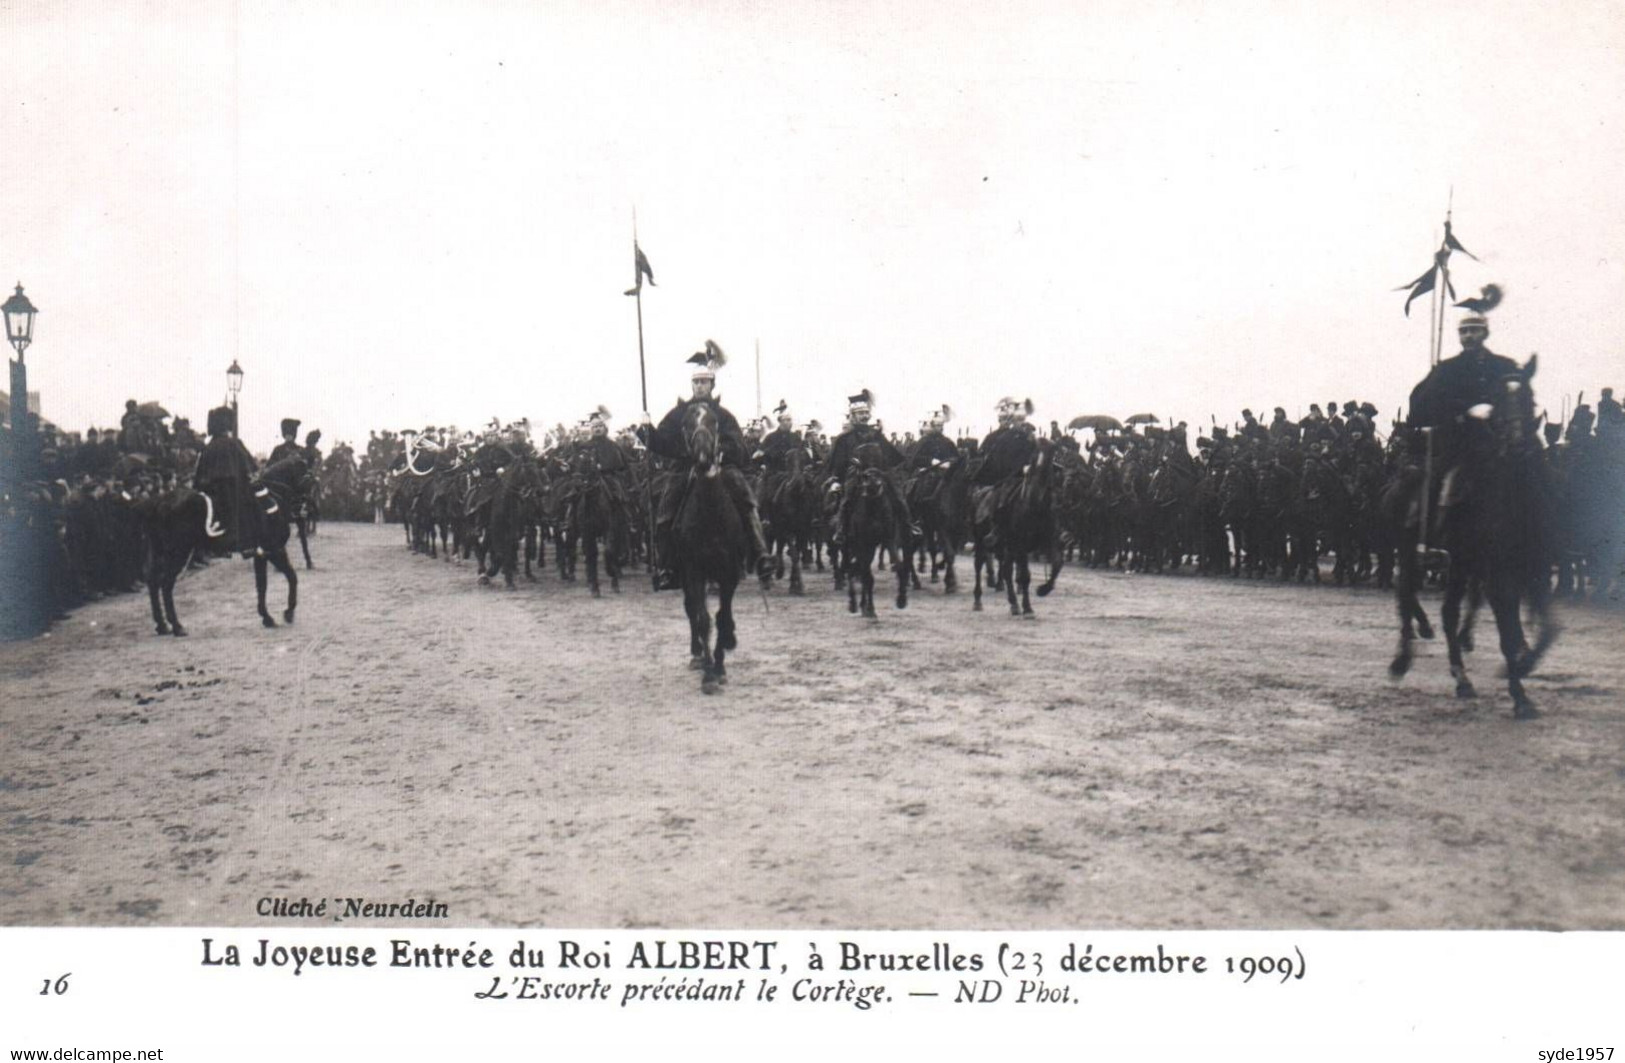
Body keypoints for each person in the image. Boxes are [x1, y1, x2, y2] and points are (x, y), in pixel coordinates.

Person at [638, 341, 771, 589]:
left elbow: (739, 447)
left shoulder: (724, 415)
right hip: (686, 468)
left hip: (720, 467)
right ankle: (667, 566)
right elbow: (662, 444)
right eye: (697, 382)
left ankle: (760, 554)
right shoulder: (678, 414)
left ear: (712, 384)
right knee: (665, 512)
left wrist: (721, 451)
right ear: (692, 385)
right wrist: (647, 430)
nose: (700, 386)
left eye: (705, 382)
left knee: (746, 500)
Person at [1406, 305, 1522, 531]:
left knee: (1532, 479)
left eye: (1474, 330)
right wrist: (1464, 412)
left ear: (1485, 333)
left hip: (1499, 443)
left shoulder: (1503, 366)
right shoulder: (1447, 369)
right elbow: (1420, 402)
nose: (1468, 335)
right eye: (1464, 331)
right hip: (1459, 445)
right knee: (1438, 484)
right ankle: (1429, 540)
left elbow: (1517, 397)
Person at [825, 388, 911, 546]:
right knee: (847, 498)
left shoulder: (876, 435)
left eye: (866, 413)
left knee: (898, 496)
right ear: (853, 416)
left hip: (878, 474)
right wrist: (837, 478)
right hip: (855, 475)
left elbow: (890, 456)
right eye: (860, 413)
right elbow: (838, 462)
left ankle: (907, 529)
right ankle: (841, 529)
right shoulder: (844, 438)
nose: (864, 416)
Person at [192, 405, 264, 557]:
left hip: (210, 489)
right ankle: (246, 544)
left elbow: (199, 473)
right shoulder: (235, 443)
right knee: (251, 505)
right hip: (232, 488)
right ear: (227, 426)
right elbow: (250, 467)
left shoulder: (209, 446)